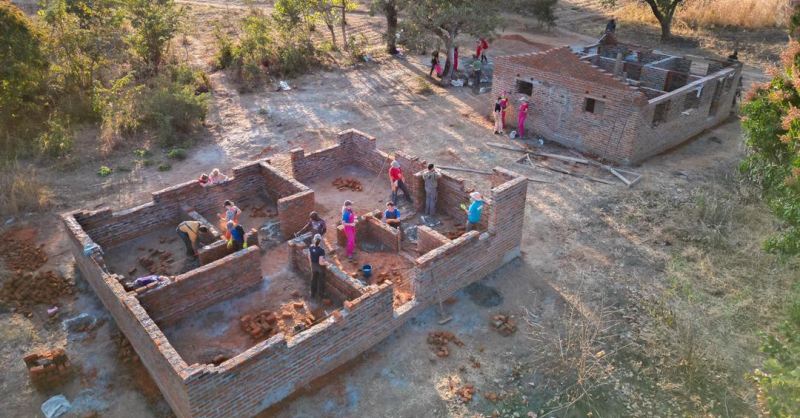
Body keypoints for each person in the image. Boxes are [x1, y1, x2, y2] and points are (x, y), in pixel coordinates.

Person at [308, 234, 328, 299]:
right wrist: (326, 263)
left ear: (314, 239)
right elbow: (320, 262)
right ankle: (321, 295)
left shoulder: (311, 247)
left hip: (313, 265)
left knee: (314, 279)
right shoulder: (321, 250)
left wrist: (311, 264)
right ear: (320, 241)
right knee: (321, 281)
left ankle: (312, 292)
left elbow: (309, 257)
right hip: (320, 268)